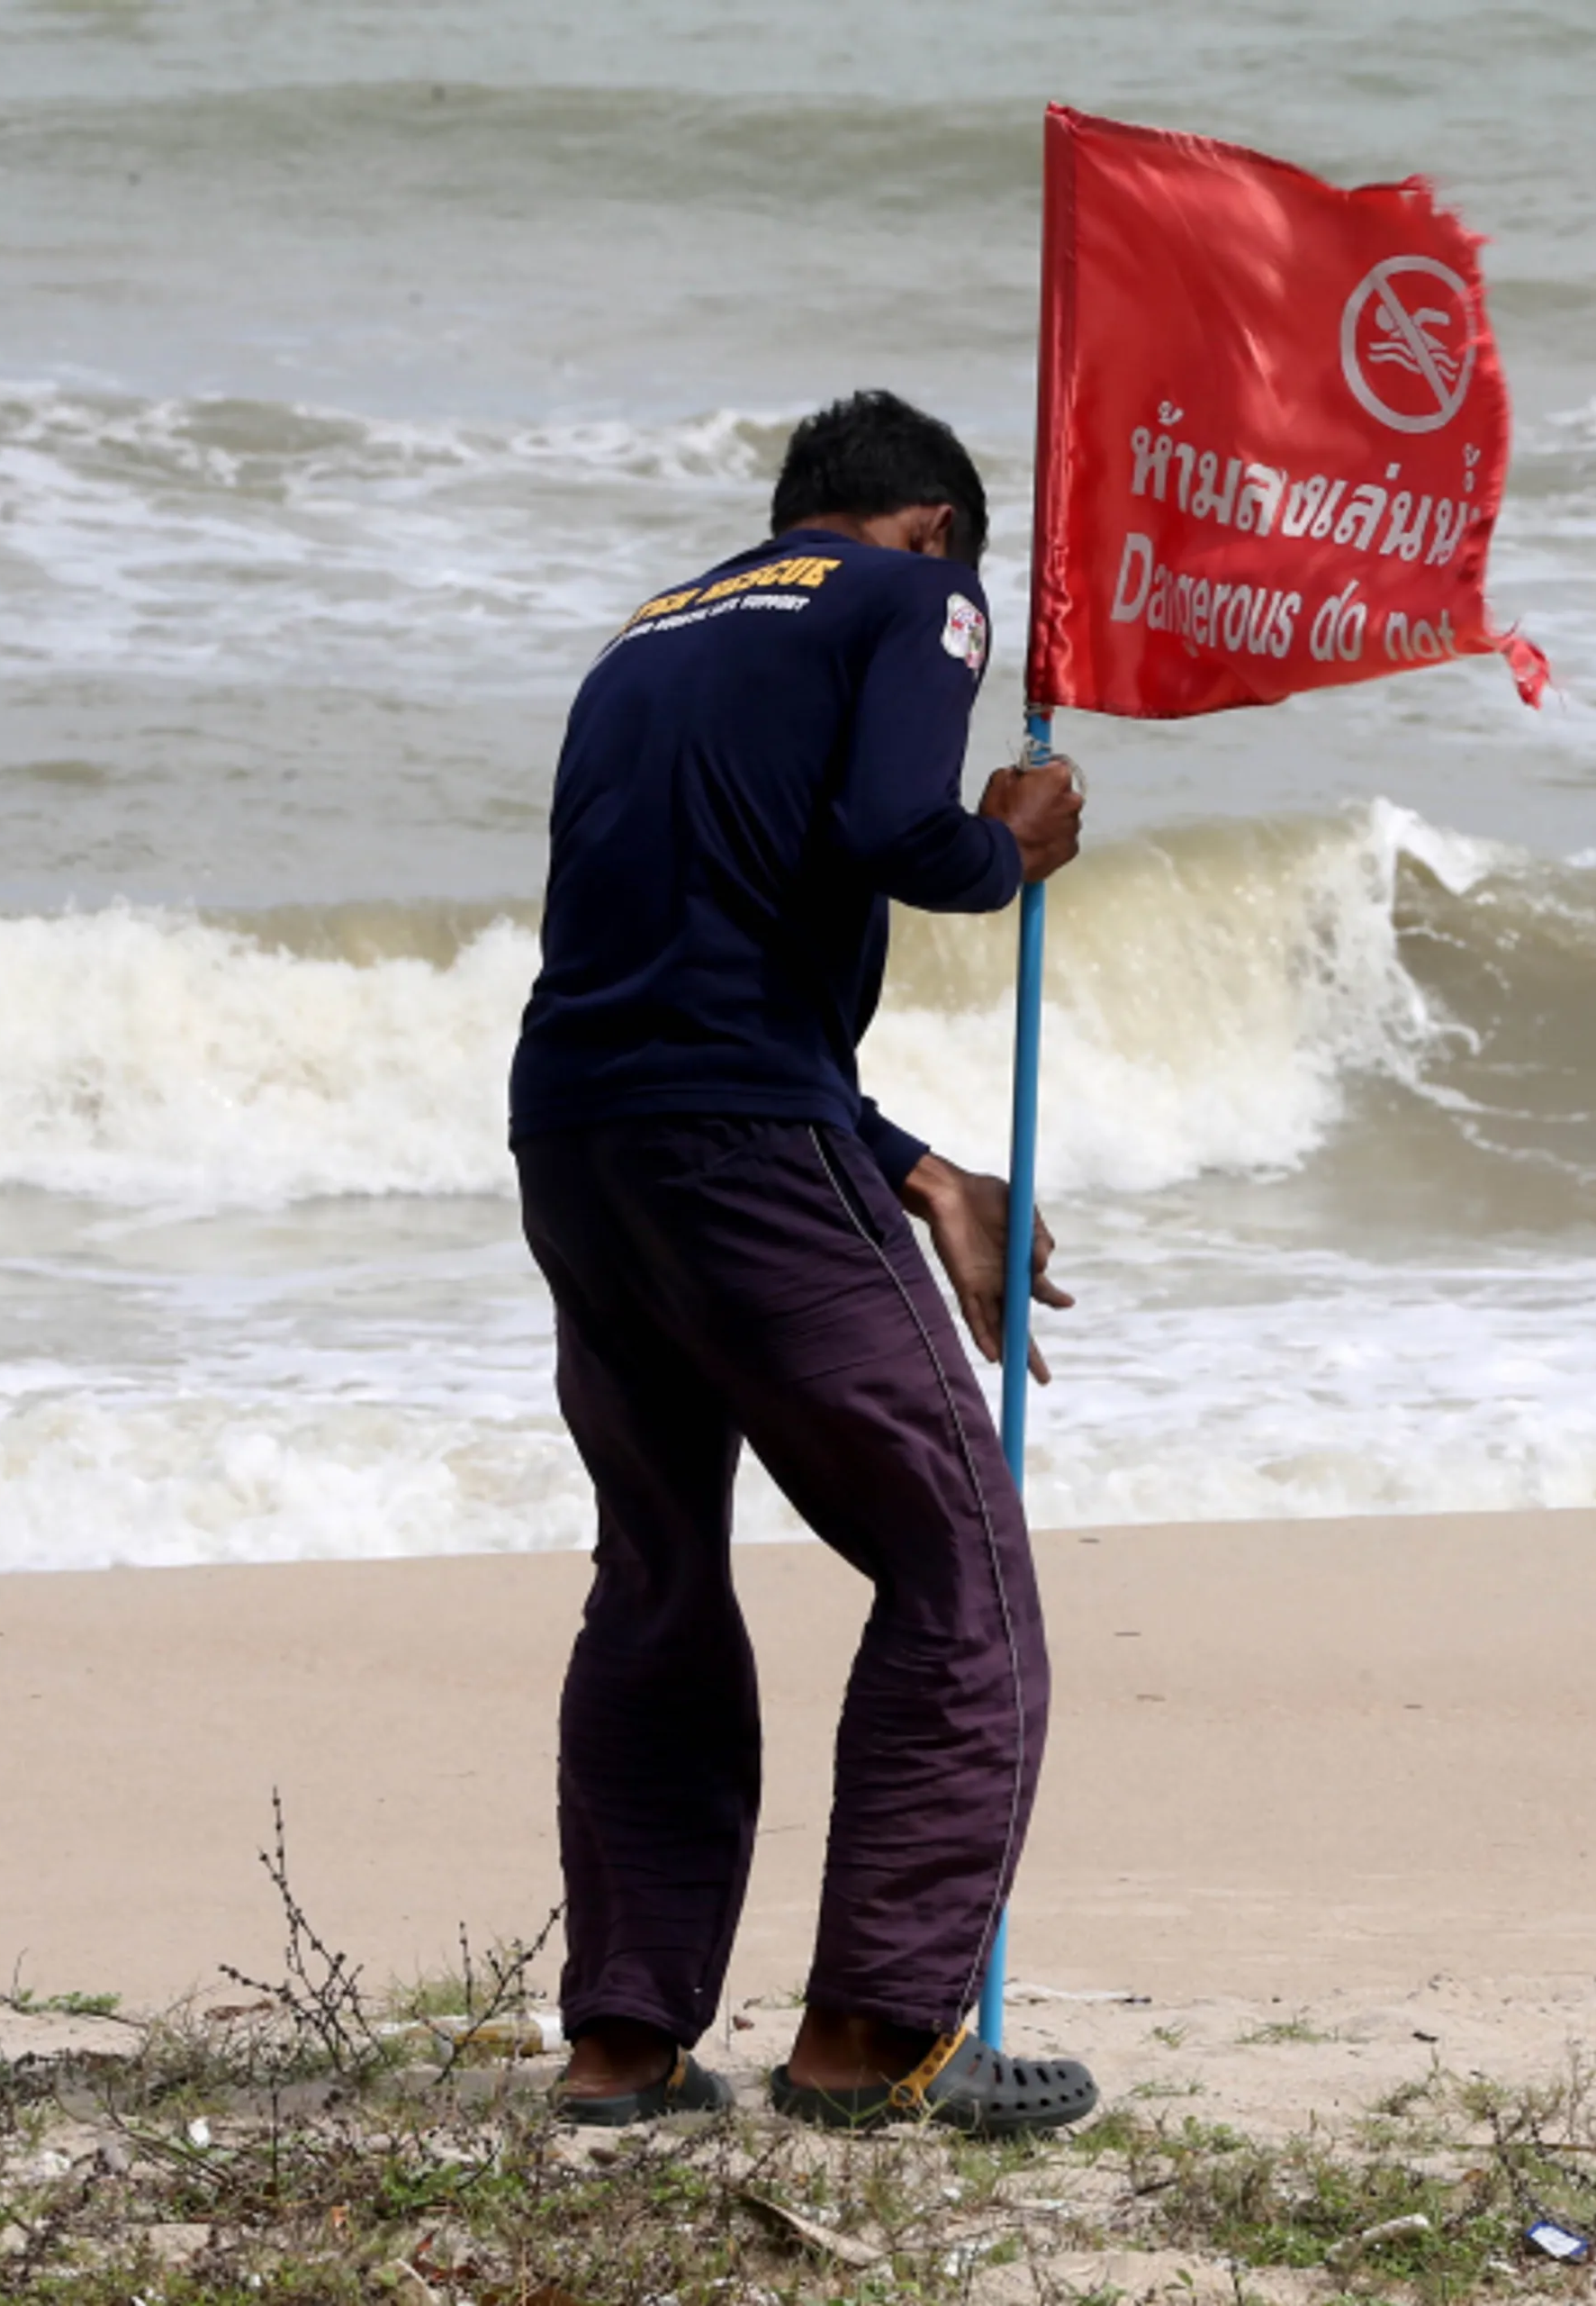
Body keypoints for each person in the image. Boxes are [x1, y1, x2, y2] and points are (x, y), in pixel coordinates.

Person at [506, 389, 1099, 2133]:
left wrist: (917, 1171)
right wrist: (1013, 845)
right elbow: (890, 828)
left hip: (579, 1144)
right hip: (743, 1151)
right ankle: (876, 2034)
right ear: (928, 527)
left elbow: (693, 976)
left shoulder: (645, 637)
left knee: (659, 1571)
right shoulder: (918, 594)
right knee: (960, 1557)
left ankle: (622, 2044)